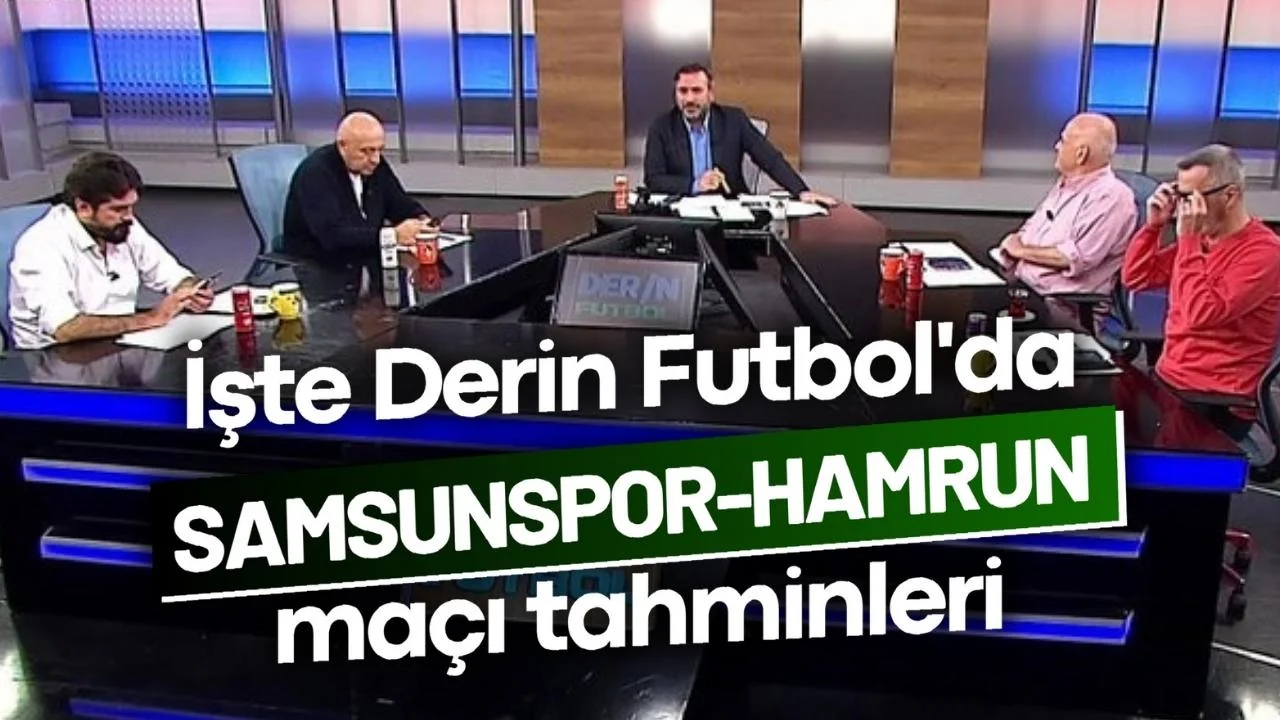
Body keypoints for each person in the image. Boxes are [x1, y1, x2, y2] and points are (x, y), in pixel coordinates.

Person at [1121, 143, 1280, 478]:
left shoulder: (1264, 254)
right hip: (1169, 382)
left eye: (1191, 198)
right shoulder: (1204, 242)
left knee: (1131, 470)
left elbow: (1200, 315)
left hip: (1214, 399)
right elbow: (1136, 277)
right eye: (1180, 196)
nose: (1184, 210)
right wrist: (1153, 226)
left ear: (1230, 195)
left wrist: (1188, 242)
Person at [6, 151, 213, 350]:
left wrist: (192, 290)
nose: (129, 216)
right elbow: (65, 328)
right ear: (84, 208)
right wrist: (151, 318)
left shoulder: (120, 226)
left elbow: (169, 273)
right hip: (55, 356)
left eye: (131, 206)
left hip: (118, 340)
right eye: (118, 209)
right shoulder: (41, 246)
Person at [642, 64, 837, 206]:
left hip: (729, 209)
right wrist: (695, 185)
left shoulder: (734, 120)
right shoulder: (661, 127)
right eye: (683, 91)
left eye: (697, 91)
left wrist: (801, 191)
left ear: (710, 93)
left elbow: (769, 159)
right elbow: (653, 178)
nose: (689, 99)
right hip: (682, 212)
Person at [994, 113, 1137, 296]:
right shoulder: (1067, 184)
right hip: (1022, 286)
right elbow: (1030, 230)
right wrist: (1014, 246)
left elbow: (1074, 258)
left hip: (1058, 301)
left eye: (1063, 141)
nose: (1057, 146)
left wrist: (1020, 251)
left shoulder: (1111, 198)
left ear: (1081, 154)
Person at [282, 111, 435, 265]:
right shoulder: (316, 173)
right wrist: (393, 236)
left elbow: (400, 204)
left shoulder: (374, 166)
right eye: (366, 151)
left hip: (363, 262)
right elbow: (333, 237)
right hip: (316, 266)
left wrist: (422, 221)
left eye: (379, 150)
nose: (375, 159)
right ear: (342, 145)